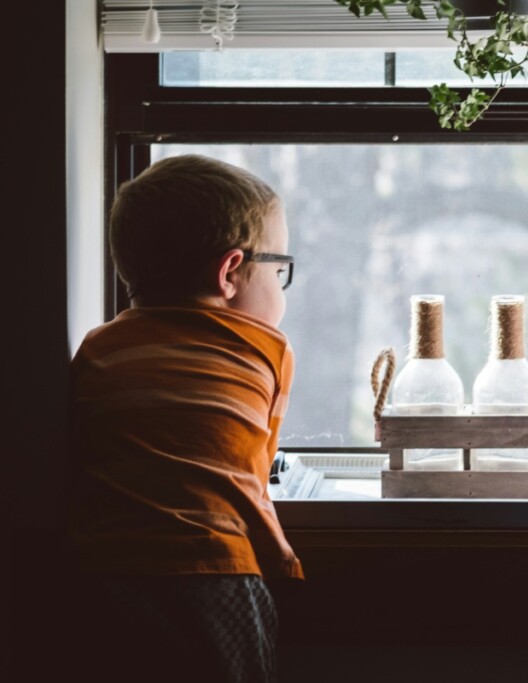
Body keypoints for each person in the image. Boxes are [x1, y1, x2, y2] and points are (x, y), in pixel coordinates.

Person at [67, 154, 303, 683]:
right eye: (278, 271)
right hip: (214, 573)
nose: (280, 286)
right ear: (229, 272)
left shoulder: (98, 348)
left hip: (103, 572)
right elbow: (253, 472)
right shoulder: (265, 349)